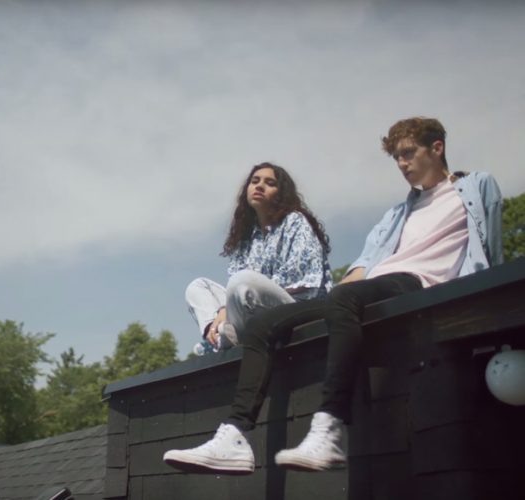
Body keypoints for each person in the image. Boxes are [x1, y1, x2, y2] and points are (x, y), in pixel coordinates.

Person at [163, 117, 503, 474]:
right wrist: (339, 294)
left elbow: (491, 250)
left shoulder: (476, 187)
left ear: (437, 147)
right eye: (396, 158)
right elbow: (361, 267)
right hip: (371, 288)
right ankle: (235, 437)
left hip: (419, 283)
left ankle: (329, 427)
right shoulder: (398, 213)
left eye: (408, 154)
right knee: (264, 325)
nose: (402, 164)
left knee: (342, 298)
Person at [185, 162, 332, 355]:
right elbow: (235, 288)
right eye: (255, 181)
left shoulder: (295, 221)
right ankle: (216, 336)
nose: (260, 186)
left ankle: (224, 340)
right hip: (251, 311)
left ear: (281, 194)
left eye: (270, 183)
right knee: (198, 287)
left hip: (296, 309)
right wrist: (223, 308)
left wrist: (230, 306)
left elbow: (299, 278)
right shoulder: (247, 237)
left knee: (243, 281)